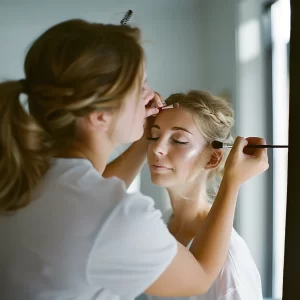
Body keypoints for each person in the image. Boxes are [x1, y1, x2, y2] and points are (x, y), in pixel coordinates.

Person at [0, 19, 268, 300]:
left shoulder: (28, 179)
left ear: (213, 157)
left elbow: (92, 192)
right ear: (101, 115)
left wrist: (146, 136)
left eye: (178, 139)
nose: (151, 96)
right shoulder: (117, 218)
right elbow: (199, 276)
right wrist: (232, 181)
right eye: (140, 87)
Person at [141, 90, 263, 300]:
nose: (157, 148)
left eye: (178, 140)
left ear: (213, 159)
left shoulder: (229, 261)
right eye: (154, 135)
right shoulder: (162, 227)